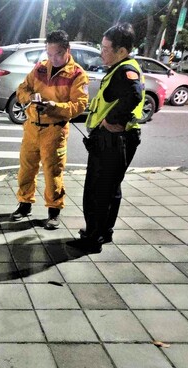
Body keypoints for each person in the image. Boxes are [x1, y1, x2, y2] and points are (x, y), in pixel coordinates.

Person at [67, 23, 145, 253]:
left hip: (114, 140)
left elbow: (134, 94)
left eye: (105, 48)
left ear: (121, 51)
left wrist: (112, 121)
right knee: (111, 188)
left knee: (98, 190)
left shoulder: (125, 71)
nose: (102, 52)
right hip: (119, 139)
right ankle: (103, 232)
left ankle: (93, 238)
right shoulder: (121, 67)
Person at [11, 30, 89, 229]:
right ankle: (24, 204)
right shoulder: (40, 69)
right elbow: (22, 89)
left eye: (57, 54)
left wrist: (55, 107)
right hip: (31, 128)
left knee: (52, 173)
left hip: (54, 131)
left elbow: (79, 105)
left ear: (67, 51)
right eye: (49, 54)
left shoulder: (77, 75)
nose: (52, 59)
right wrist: (29, 98)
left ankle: (54, 211)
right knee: (26, 170)